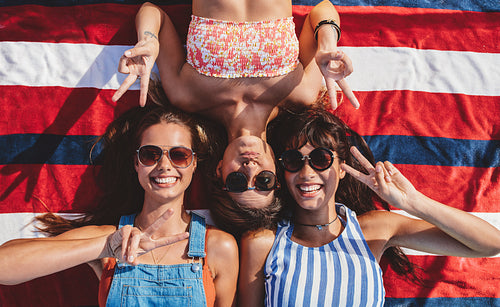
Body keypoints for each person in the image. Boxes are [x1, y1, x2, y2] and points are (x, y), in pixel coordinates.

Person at [238, 106, 500, 306]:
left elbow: (490, 243)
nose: (306, 173)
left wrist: (413, 202)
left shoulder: (374, 229)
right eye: (294, 160)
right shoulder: (262, 243)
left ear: (342, 169)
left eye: (320, 159)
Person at [111, 1, 357, 214]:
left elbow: (153, 12)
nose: (250, 169)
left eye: (238, 181)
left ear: (219, 171)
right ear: (277, 171)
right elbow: (323, 9)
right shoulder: (301, 93)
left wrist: (149, 40)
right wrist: (327, 43)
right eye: (264, 181)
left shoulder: (186, 96)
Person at [0, 105, 238, 307]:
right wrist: (104, 248)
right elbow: (4, 266)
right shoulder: (109, 238)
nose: (164, 165)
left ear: (194, 162)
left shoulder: (218, 247)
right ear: (136, 163)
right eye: (150, 154)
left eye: (179, 155)